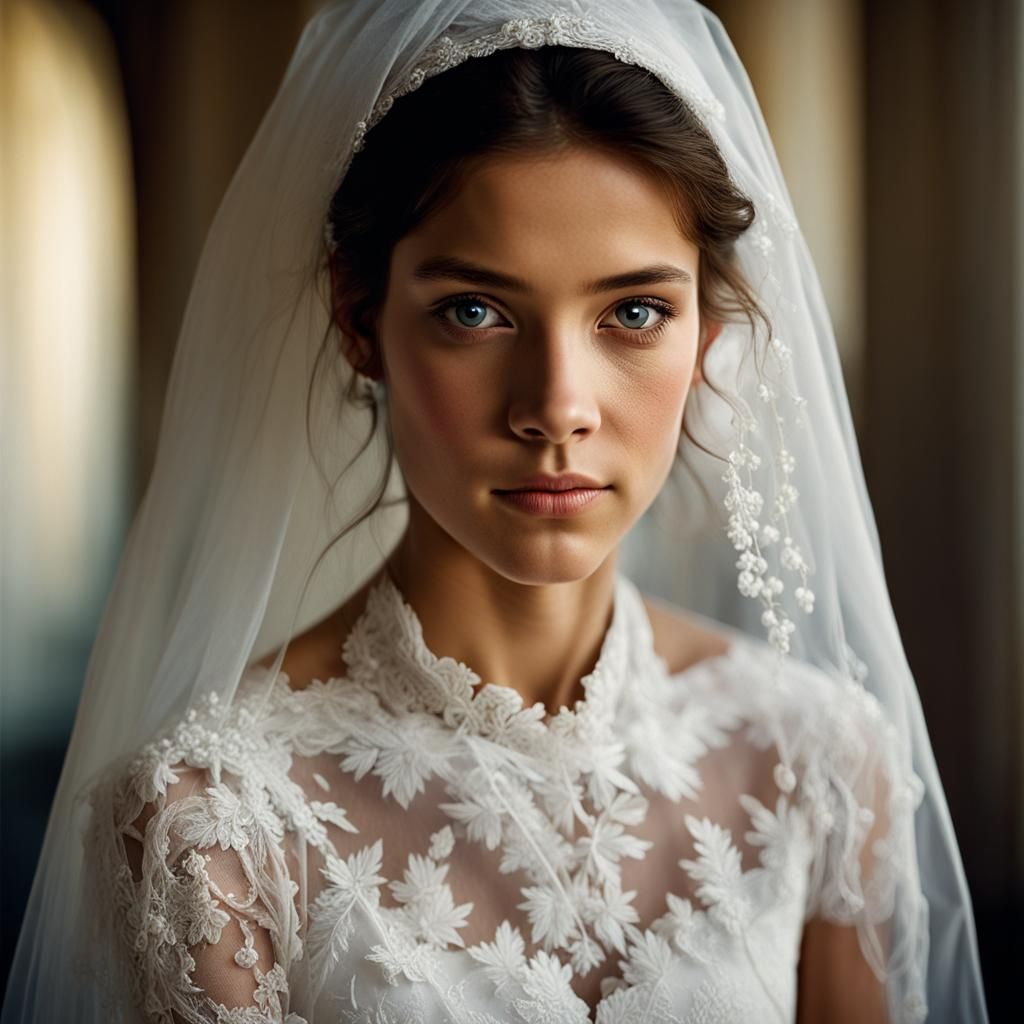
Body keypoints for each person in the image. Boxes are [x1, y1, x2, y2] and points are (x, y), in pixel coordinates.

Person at [1, 1, 989, 1022]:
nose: (557, 405)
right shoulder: (212, 818)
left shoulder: (815, 758)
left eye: (634, 312)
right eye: (474, 311)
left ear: (706, 329)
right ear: (360, 319)